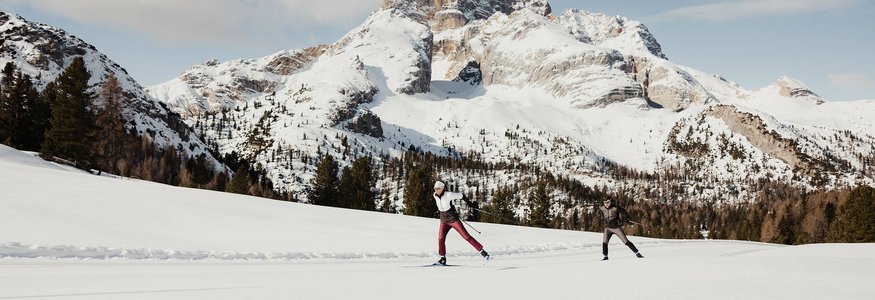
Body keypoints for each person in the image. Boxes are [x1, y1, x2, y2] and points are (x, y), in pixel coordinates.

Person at [433, 180, 489, 265]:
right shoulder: (435, 195)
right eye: (435, 188)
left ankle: (484, 253)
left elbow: (461, 195)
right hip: (443, 221)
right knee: (440, 239)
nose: (436, 190)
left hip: (453, 220)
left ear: (442, 188)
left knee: (466, 236)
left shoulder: (449, 195)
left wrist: (469, 203)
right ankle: (442, 258)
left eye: (438, 188)